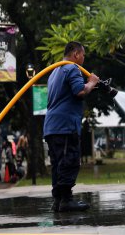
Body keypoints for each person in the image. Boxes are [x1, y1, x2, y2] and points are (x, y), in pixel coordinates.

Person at [43, 41, 99, 212]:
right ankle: (66, 200)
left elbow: (67, 93)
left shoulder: (55, 71)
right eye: (83, 55)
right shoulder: (72, 68)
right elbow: (80, 91)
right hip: (65, 126)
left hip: (52, 127)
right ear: (76, 54)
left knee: (58, 164)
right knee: (69, 161)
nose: (83, 59)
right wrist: (92, 82)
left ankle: (58, 201)